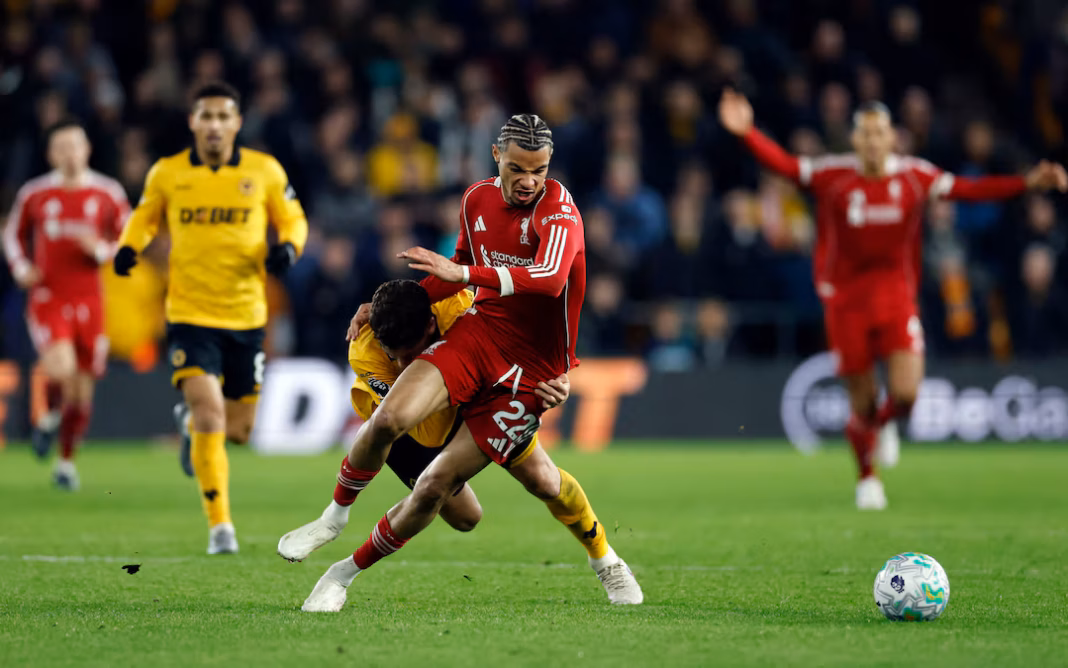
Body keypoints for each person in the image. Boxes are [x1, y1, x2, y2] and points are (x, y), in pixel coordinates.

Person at [278, 114, 643, 611]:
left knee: (461, 485)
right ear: (497, 156)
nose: (528, 181)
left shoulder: (559, 213)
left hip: (531, 372)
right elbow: (451, 276)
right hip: (479, 335)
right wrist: (389, 301)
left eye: (538, 170)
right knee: (391, 418)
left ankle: (606, 561)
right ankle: (333, 517)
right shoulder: (477, 199)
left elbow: (551, 278)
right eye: (517, 168)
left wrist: (467, 270)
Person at [718, 89, 1068, 510]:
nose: (872, 141)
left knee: (905, 395)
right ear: (854, 139)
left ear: (891, 138)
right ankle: (868, 480)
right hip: (846, 300)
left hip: (896, 297)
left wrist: (1027, 181)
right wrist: (747, 133)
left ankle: (884, 426)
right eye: (865, 134)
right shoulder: (834, 174)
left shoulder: (913, 176)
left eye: (879, 133)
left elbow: (970, 189)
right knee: (862, 401)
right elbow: (787, 167)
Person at [114, 81, 309, 554]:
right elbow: (144, 217)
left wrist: (289, 248)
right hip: (189, 314)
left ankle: (189, 429)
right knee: (210, 412)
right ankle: (220, 526)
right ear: (193, 122)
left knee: (238, 432)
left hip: (246, 316)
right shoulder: (168, 173)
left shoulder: (263, 170)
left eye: (224, 116)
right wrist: (128, 247)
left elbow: (294, 218)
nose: (215, 125)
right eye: (207, 116)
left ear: (238, 123)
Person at [339, 278, 571, 534]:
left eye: (412, 352)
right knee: (465, 516)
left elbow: (516, 342)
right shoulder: (363, 349)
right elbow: (429, 434)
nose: (406, 364)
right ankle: (346, 523)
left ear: (430, 325)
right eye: (394, 354)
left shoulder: (460, 310)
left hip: (463, 398)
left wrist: (554, 379)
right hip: (407, 428)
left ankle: (601, 552)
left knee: (545, 482)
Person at [3, 118, 129, 490]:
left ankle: (64, 460)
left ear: (87, 149)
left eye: (76, 145)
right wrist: (21, 266)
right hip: (49, 295)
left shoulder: (107, 192)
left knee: (82, 389)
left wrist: (103, 250)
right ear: (51, 154)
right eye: (62, 148)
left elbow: (130, 238)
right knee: (61, 368)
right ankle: (51, 418)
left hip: (91, 298)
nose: (70, 154)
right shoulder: (36, 193)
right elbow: (12, 233)